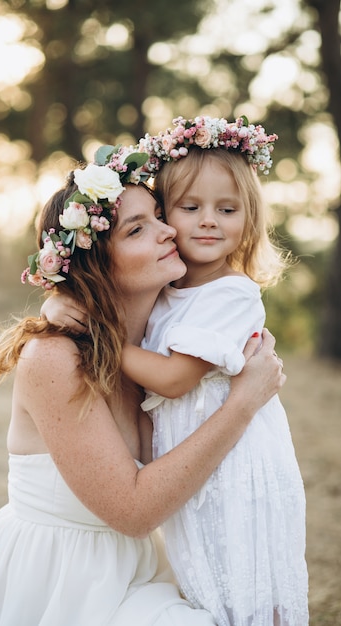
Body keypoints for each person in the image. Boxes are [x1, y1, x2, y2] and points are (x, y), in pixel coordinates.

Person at [0, 144, 286, 626]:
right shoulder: (55, 358)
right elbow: (132, 511)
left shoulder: (160, 342)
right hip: (63, 583)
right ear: (99, 263)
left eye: (159, 215)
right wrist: (243, 404)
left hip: (138, 569)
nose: (170, 229)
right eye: (138, 229)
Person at [119, 116, 309, 625]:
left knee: (243, 575)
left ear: (249, 219)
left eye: (227, 209)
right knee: (200, 572)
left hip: (236, 465)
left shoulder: (231, 293)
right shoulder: (168, 293)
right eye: (190, 207)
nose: (209, 221)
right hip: (194, 461)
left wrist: (98, 340)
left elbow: (174, 378)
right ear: (164, 215)